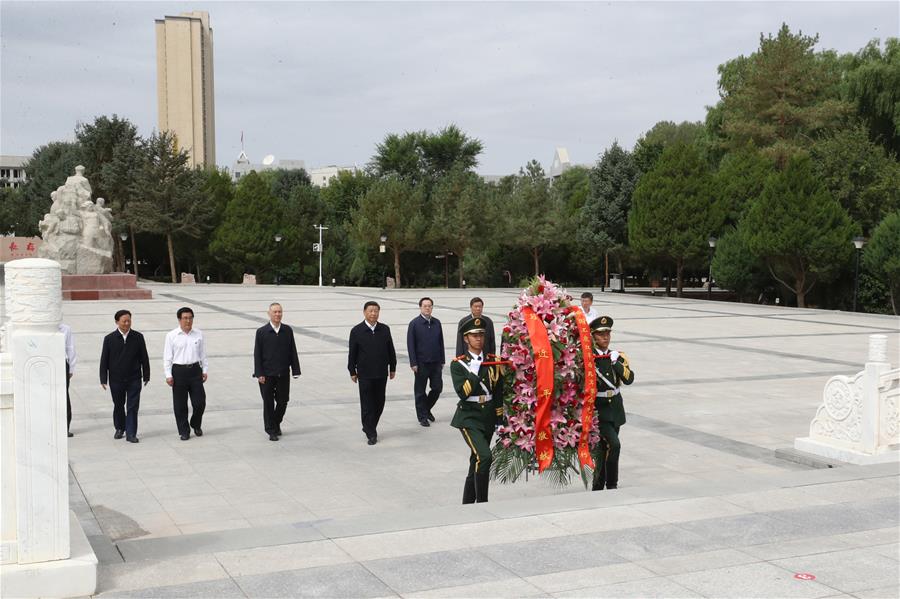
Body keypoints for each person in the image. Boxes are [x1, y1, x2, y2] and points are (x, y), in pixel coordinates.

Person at [450, 318, 504, 503]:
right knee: (485, 456)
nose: (479, 339)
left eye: (481, 335)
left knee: (476, 459)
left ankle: (467, 503)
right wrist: (473, 372)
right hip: (469, 417)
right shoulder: (458, 364)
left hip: (487, 416)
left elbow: (498, 391)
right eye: (474, 335)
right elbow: (463, 393)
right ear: (466, 339)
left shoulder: (493, 361)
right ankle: (482, 502)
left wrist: (499, 419)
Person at [589, 315, 634, 491]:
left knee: (603, 450)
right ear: (593, 336)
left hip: (615, 409)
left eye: (607, 333)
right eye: (600, 334)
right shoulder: (589, 359)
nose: (605, 337)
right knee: (614, 445)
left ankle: (598, 485)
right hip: (598, 411)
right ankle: (612, 484)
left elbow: (629, 379)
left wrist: (615, 362)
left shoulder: (617, 356)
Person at [348, 301, 397, 445]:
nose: (373, 313)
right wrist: (352, 370)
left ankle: (370, 426)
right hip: (365, 373)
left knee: (379, 402)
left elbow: (391, 349)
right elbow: (352, 353)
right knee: (367, 403)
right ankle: (371, 432)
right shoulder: (356, 331)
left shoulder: (385, 329)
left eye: (376, 311)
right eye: (370, 311)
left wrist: (392, 367)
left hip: (381, 372)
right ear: (364, 312)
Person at [99, 310, 150, 443]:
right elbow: (104, 359)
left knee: (133, 406)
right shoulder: (109, 339)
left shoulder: (138, 337)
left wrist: (146, 375)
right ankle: (120, 428)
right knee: (118, 405)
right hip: (116, 379)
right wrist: (103, 378)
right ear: (117, 322)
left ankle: (131, 433)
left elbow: (144, 357)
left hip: (134, 378)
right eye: (124, 321)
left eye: (129, 321)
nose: (127, 323)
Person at [253, 303, 301, 441]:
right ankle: (271, 430)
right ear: (269, 313)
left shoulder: (287, 330)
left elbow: (293, 350)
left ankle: (275, 423)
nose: (277, 314)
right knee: (268, 403)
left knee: (283, 401)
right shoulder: (261, 332)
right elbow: (257, 354)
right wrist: (259, 373)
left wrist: (296, 370)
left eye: (280, 312)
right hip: (266, 375)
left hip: (283, 373)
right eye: (275, 312)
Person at [164, 307, 209, 441]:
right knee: (180, 404)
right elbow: (167, 357)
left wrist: (205, 370)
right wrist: (168, 375)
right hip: (179, 371)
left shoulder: (199, 334)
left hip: (195, 370)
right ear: (179, 319)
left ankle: (195, 423)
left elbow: (203, 354)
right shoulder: (171, 335)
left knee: (200, 402)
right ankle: (184, 431)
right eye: (185, 318)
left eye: (190, 318)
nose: (188, 321)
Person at [406, 297, 445, 427]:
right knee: (420, 391)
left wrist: (442, 359)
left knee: (437, 388)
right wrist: (413, 363)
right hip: (421, 363)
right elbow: (410, 345)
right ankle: (422, 416)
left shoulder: (437, 323)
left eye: (430, 306)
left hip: (436, 362)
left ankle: (426, 408)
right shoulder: (414, 324)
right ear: (420, 307)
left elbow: (441, 342)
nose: (427, 308)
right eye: (425, 306)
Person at [60, 322, 76, 437]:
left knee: (64, 395)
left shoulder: (65, 329)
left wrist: (71, 368)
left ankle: (65, 427)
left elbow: (70, 348)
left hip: (62, 363)